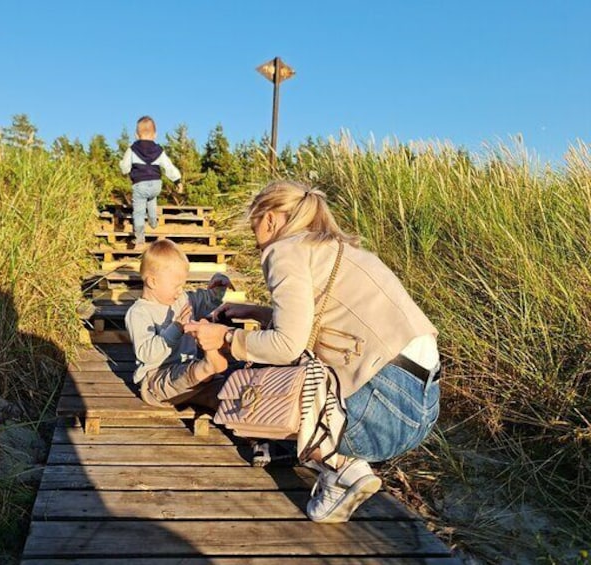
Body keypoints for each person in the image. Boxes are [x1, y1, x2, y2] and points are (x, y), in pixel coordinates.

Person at [185, 180, 441, 523]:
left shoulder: (284, 250)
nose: (254, 234)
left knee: (267, 388)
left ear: (272, 219)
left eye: (254, 224)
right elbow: (318, 323)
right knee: (294, 362)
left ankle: (342, 466)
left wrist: (226, 337)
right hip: (423, 408)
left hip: (381, 410)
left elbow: (287, 344)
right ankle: (340, 468)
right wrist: (257, 313)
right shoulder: (335, 249)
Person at [125, 240, 232, 410]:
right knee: (194, 374)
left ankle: (239, 411)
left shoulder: (182, 300)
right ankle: (208, 366)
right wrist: (176, 328)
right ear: (153, 282)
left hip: (193, 376)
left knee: (225, 393)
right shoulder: (139, 313)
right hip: (157, 379)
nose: (181, 290)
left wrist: (218, 289)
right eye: (177, 286)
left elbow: (205, 301)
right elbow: (146, 354)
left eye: (183, 285)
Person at [119, 116, 183, 248]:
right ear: (155, 135)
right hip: (156, 184)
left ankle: (140, 239)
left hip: (140, 184)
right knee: (152, 198)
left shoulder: (132, 149)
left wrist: (125, 170)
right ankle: (153, 221)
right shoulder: (159, 151)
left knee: (139, 212)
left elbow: (125, 167)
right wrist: (177, 181)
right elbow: (168, 166)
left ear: (136, 135)